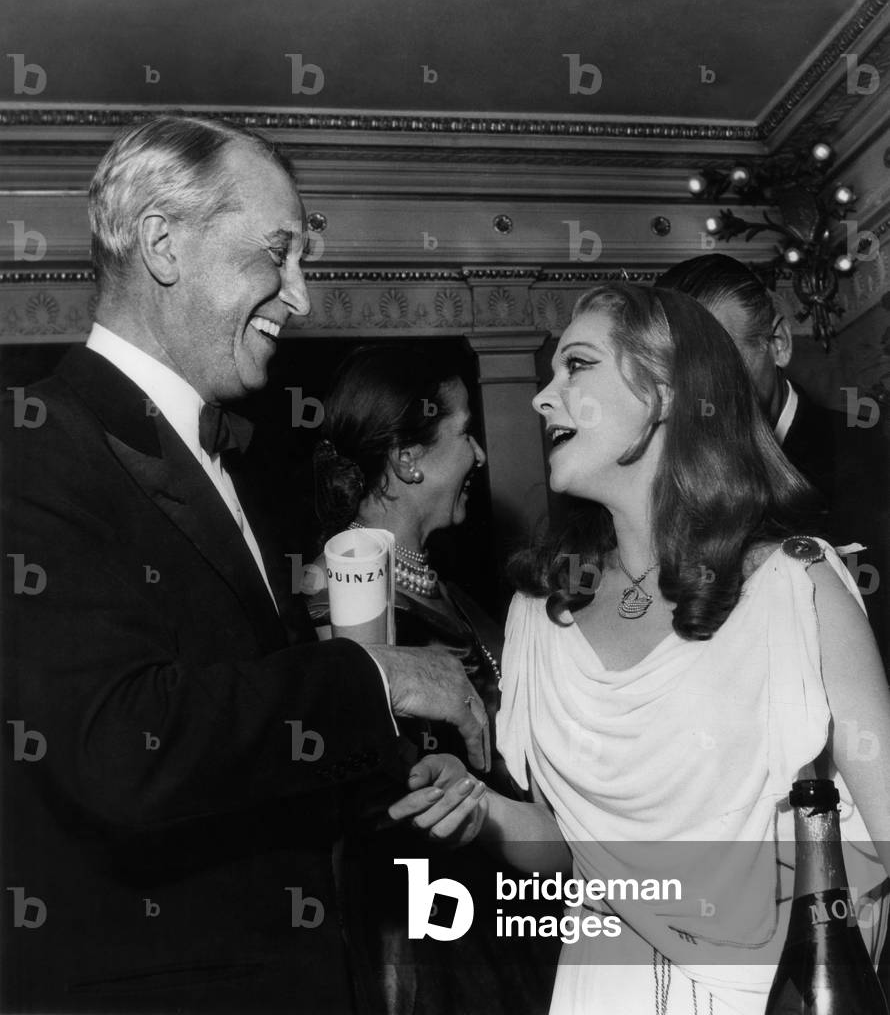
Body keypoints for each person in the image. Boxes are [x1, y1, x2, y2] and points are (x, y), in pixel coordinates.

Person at [0, 115, 490, 1015]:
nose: (299, 298)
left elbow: (249, 762)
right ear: (162, 243)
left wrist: (402, 785)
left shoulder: (228, 467)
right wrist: (375, 676)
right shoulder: (30, 442)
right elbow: (118, 747)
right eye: (277, 254)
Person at [389, 285, 890, 1014]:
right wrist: (479, 808)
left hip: (768, 992)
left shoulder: (795, 586)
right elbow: (570, 853)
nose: (541, 398)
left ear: (663, 392)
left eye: (577, 366)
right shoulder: (540, 610)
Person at [309, 345, 559, 1015]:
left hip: (502, 915)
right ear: (408, 459)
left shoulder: (441, 587)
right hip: (434, 950)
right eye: (465, 432)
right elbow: (376, 806)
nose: (480, 455)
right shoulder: (341, 608)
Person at [655, 253, 889, 661]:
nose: (699, 391)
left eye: (719, 361)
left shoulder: (875, 454)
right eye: (676, 371)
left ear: (777, 344)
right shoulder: (657, 486)